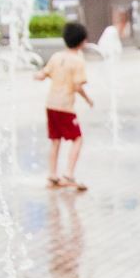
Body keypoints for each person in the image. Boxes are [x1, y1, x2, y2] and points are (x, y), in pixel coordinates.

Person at [36, 21, 93, 190]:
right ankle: (68, 174)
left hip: (51, 105)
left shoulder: (56, 56)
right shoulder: (77, 61)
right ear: (82, 41)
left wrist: (36, 75)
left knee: (55, 140)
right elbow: (77, 86)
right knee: (78, 139)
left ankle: (52, 175)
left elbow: (43, 74)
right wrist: (87, 99)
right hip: (65, 107)